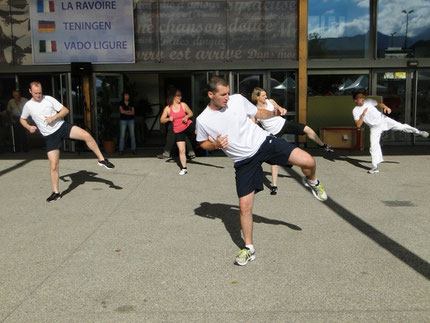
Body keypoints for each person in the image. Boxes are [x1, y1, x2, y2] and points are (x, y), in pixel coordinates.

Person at [196, 76, 328, 266]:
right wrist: (215, 144)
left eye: (228, 92)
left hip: (264, 142)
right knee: (244, 207)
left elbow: (258, 113)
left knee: (308, 161)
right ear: (211, 94)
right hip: (243, 161)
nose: (227, 97)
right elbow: (202, 143)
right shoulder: (203, 119)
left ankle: (313, 182)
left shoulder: (238, 100)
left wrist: (273, 112)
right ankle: (249, 249)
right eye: (223, 94)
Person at [20, 81, 115, 202]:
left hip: (61, 127)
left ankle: (102, 160)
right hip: (50, 136)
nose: (39, 95)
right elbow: (22, 119)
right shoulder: (28, 106)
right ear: (30, 91)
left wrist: (53, 118)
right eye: (36, 93)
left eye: (40, 92)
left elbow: (65, 110)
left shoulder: (49, 99)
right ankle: (56, 193)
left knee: (86, 135)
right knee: (54, 166)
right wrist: (28, 127)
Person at [252, 87, 333, 195]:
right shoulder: (255, 110)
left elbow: (279, 108)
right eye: (263, 95)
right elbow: (253, 124)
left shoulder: (270, 101)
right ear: (257, 97)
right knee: (275, 161)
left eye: (265, 94)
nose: (265, 96)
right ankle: (274, 186)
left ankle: (323, 145)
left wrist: (282, 109)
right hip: (274, 133)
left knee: (307, 129)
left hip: (284, 124)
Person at [352, 92, 429, 174]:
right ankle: (375, 167)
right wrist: (363, 115)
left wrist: (386, 107)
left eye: (362, 96)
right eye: (360, 97)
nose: (362, 98)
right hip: (374, 128)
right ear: (356, 100)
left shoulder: (369, 101)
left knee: (401, 126)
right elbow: (358, 125)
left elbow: (379, 103)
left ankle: (418, 132)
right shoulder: (355, 111)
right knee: (373, 146)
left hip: (384, 120)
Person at [160, 89, 196, 175]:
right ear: (173, 97)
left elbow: (191, 113)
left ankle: (213, 139)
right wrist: (168, 119)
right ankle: (184, 168)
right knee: (181, 150)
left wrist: (187, 116)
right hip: (178, 130)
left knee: (199, 134)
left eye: (180, 95)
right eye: (178, 95)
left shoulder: (183, 105)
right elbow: (162, 120)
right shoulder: (168, 108)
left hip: (188, 126)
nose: (180, 97)